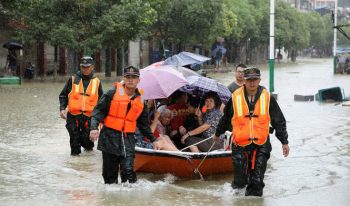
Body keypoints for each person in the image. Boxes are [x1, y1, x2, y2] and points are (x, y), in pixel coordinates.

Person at [213, 67, 290, 196]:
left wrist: (284, 142)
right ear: (244, 80)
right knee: (240, 182)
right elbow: (226, 118)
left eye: (255, 80)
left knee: (257, 182)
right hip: (240, 144)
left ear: (259, 80)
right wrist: (217, 134)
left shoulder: (267, 97)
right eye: (249, 80)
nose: (252, 83)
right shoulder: (235, 97)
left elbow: (279, 120)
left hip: (262, 144)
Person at [89, 66, 160, 184]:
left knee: (128, 173)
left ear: (139, 80)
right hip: (109, 137)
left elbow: (143, 124)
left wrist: (154, 140)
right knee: (110, 177)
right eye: (128, 77)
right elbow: (97, 112)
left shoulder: (141, 99)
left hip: (128, 138)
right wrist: (93, 128)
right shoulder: (112, 93)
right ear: (124, 78)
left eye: (134, 77)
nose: (131, 80)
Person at [59, 56, 103, 156]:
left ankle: (88, 160)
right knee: (74, 142)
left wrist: (100, 118)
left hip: (89, 117)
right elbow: (63, 95)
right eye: (83, 67)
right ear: (80, 67)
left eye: (87, 67)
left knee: (87, 143)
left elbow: (102, 102)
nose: (85, 69)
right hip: (73, 116)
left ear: (92, 67)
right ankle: (75, 165)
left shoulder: (97, 82)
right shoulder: (73, 80)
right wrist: (62, 108)